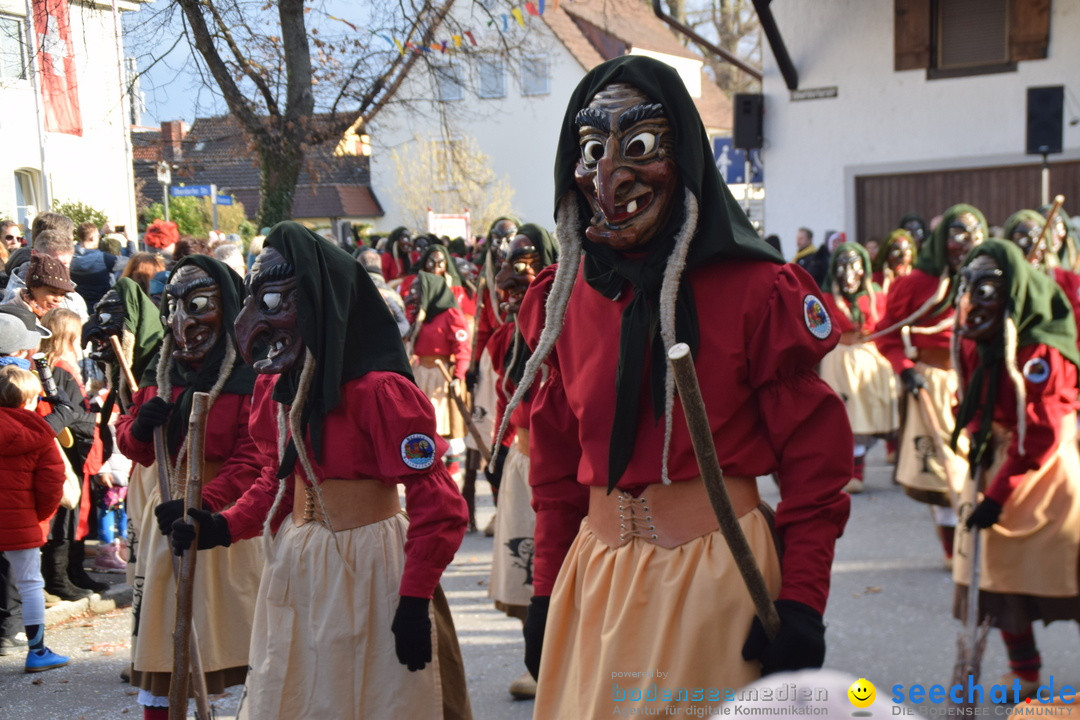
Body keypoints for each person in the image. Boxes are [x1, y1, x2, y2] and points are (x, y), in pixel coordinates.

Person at [503, 56, 851, 717]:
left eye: (638, 147)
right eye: (591, 149)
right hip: (595, 582)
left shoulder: (758, 293)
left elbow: (817, 471)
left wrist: (802, 601)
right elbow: (553, 476)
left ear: (684, 152)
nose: (610, 174)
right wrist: (545, 590)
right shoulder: (560, 301)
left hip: (716, 579)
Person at [170, 222, 472, 720]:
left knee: (378, 696)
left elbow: (438, 504)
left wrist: (415, 597)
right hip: (299, 564)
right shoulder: (278, 388)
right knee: (299, 691)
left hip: (373, 568)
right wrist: (224, 526)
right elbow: (278, 478)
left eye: (272, 303)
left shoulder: (381, 393)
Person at [115, 255, 263, 720]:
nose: (184, 321)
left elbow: (255, 455)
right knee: (166, 643)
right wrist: (141, 428)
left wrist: (205, 506)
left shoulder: (252, 376)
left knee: (244, 644)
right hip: (169, 518)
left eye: (199, 304)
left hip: (227, 523)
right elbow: (132, 444)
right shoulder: (162, 374)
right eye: (173, 305)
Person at [950, 239, 1080, 699]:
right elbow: (968, 398)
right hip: (996, 460)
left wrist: (998, 496)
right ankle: (1024, 671)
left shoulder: (1039, 355)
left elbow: (1040, 435)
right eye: (966, 286)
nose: (970, 300)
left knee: (1067, 568)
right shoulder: (975, 339)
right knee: (998, 578)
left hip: (1043, 473)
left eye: (984, 288)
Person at [874, 203, 984, 566]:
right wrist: (906, 369)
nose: (965, 244)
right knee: (943, 470)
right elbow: (887, 335)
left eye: (972, 236)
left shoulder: (990, 280)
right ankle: (955, 550)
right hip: (933, 386)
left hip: (982, 383)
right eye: (957, 235)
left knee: (983, 465)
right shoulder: (914, 285)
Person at [485, 223, 558, 700]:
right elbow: (507, 398)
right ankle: (537, 662)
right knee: (526, 567)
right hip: (520, 459)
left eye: (527, 265)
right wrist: (497, 449)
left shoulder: (562, 321)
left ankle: (561, 659)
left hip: (562, 466)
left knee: (560, 569)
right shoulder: (504, 340)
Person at [0, 363, 69, 672]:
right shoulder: (41, 435)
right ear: (29, 400)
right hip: (22, 520)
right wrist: (36, 517)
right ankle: (37, 651)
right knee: (30, 583)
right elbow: (52, 484)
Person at [38, 308, 108, 596]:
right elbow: (70, 415)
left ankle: (74, 572)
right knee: (67, 515)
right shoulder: (58, 370)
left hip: (76, 451)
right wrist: (98, 419)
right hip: (69, 453)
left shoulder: (59, 367)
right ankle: (58, 578)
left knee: (79, 514)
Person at [818, 242, 897, 493]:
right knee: (845, 417)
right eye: (842, 266)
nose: (849, 273)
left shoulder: (876, 294)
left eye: (854, 266)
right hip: (837, 360)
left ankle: (891, 462)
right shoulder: (825, 296)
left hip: (869, 359)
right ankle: (850, 472)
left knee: (869, 413)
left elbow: (887, 325)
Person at [403, 269, 472, 476]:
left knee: (443, 420)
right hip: (420, 371)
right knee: (419, 421)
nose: (413, 294)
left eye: (418, 290)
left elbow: (462, 347)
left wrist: (458, 376)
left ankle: (449, 468)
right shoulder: (419, 314)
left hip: (441, 374)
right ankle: (424, 463)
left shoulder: (451, 314)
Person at [70, 221, 117, 310]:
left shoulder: (70, 256)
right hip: (102, 306)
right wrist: (130, 240)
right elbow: (132, 263)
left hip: (79, 306)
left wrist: (101, 232)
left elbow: (82, 244)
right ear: (92, 238)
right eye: (98, 236)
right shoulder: (105, 258)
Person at [872, 228, 917, 296]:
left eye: (906, 252)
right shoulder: (876, 279)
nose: (902, 258)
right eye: (896, 252)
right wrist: (886, 284)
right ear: (886, 254)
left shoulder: (917, 279)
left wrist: (908, 281)